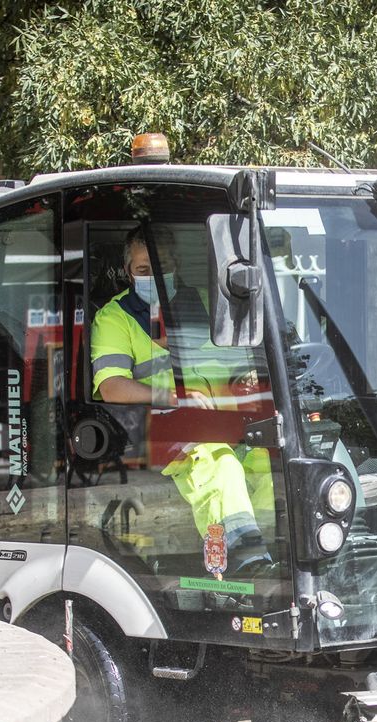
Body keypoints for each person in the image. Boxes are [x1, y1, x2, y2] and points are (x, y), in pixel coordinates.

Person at [89, 225, 276, 578]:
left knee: (266, 464)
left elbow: (237, 363)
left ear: (175, 263)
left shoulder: (205, 303)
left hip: (226, 425)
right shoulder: (115, 318)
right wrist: (172, 396)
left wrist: (246, 378)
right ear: (128, 272)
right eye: (144, 269)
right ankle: (244, 564)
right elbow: (112, 387)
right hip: (165, 434)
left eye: (162, 266)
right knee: (220, 466)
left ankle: (276, 555)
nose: (155, 276)